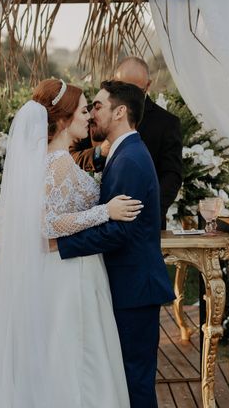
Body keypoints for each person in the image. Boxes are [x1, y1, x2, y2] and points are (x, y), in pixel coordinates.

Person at [0, 79, 142, 408]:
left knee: (57, 354)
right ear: (63, 118)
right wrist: (105, 211)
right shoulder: (57, 163)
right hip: (70, 273)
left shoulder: (51, 160)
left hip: (63, 268)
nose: (88, 116)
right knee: (76, 358)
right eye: (82, 109)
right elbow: (47, 224)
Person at [52, 80, 176, 408]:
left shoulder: (131, 159)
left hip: (134, 289)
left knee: (135, 381)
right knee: (126, 378)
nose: (92, 114)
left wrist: (61, 246)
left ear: (120, 112)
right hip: (128, 286)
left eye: (98, 106)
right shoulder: (124, 154)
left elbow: (120, 232)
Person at [71, 57, 183, 229]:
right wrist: (99, 152)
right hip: (95, 218)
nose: (127, 94)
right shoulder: (96, 112)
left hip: (144, 224)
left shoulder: (167, 123)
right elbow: (71, 157)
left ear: (148, 86)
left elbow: (172, 175)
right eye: (121, 85)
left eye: (135, 89)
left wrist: (148, 211)